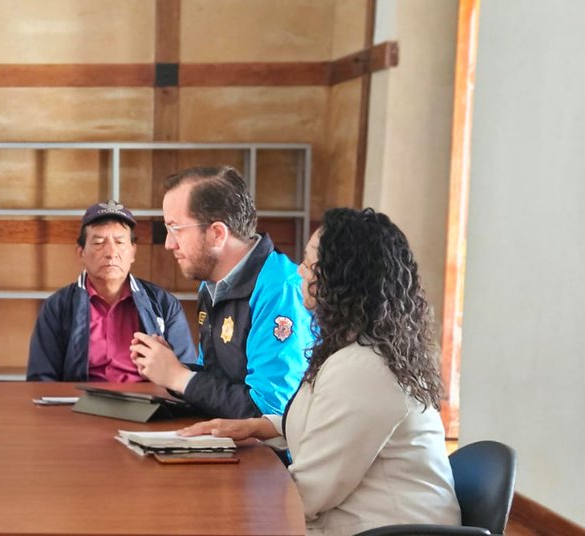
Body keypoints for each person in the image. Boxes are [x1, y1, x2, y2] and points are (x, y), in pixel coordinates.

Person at [180, 208, 460, 534]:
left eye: (310, 263)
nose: (299, 271)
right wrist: (262, 427)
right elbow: (328, 425)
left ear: (341, 278)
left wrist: (214, 497)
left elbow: (309, 493)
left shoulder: (365, 369)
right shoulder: (356, 351)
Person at [130, 166, 311, 418]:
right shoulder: (212, 281)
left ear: (216, 234)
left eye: (176, 229)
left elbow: (271, 415)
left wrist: (180, 378)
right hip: (228, 443)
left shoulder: (280, 290)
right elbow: (218, 381)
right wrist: (170, 368)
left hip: (273, 456)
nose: (169, 244)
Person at [27, 201, 195, 381]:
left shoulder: (163, 303)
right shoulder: (58, 307)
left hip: (144, 404)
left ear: (132, 252)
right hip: (79, 401)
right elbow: (41, 378)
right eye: (99, 242)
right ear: (81, 253)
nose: (111, 252)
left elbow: (186, 372)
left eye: (120, 242)